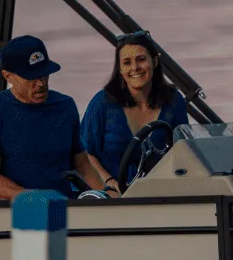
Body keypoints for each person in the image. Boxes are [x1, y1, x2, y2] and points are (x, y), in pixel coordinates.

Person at [0, 34, 118, 199]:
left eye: (44, 74)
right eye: (31, 78)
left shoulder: (65, 106)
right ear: (8, 76)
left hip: (67, 206)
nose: (41, 84)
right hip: (19, 208)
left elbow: (82, 164)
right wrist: (36, 199)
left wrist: (106, 194)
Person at [80, 32, 189, 190]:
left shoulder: (174, 101)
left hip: (159, 194)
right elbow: (84, 154)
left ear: (155, 61)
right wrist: (109, 185)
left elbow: (184, 152)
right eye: (127, 62)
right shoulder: (102, 102)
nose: (135, 68)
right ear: (120, 69)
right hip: (110, 196)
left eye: (141, 59)